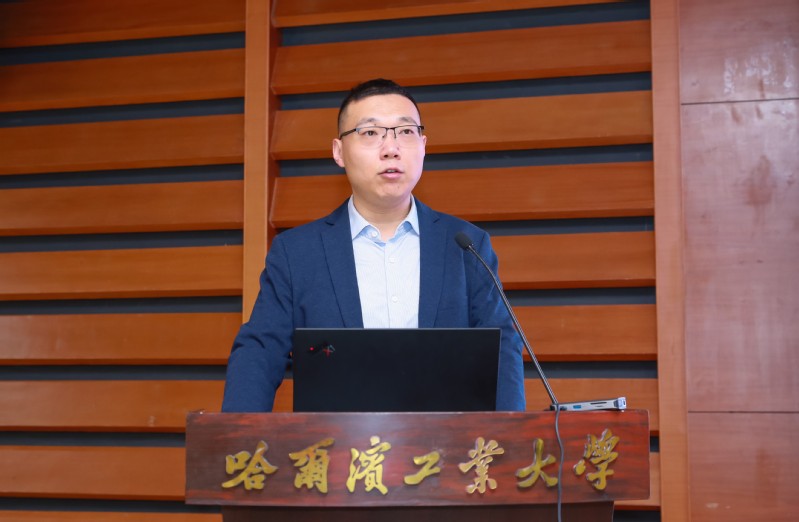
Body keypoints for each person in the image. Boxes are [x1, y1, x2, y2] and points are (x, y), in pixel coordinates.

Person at [221, 79, 525, 412]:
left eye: (405, 132)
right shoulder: (296, 253)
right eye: (370, 133)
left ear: (423, 145)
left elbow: (502, 349)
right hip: (334, 443)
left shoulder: (467, 245)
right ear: (339, 152)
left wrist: (510, 437)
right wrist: (236, 435)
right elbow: (260, 351)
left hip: (445, 444)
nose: (391, 148)